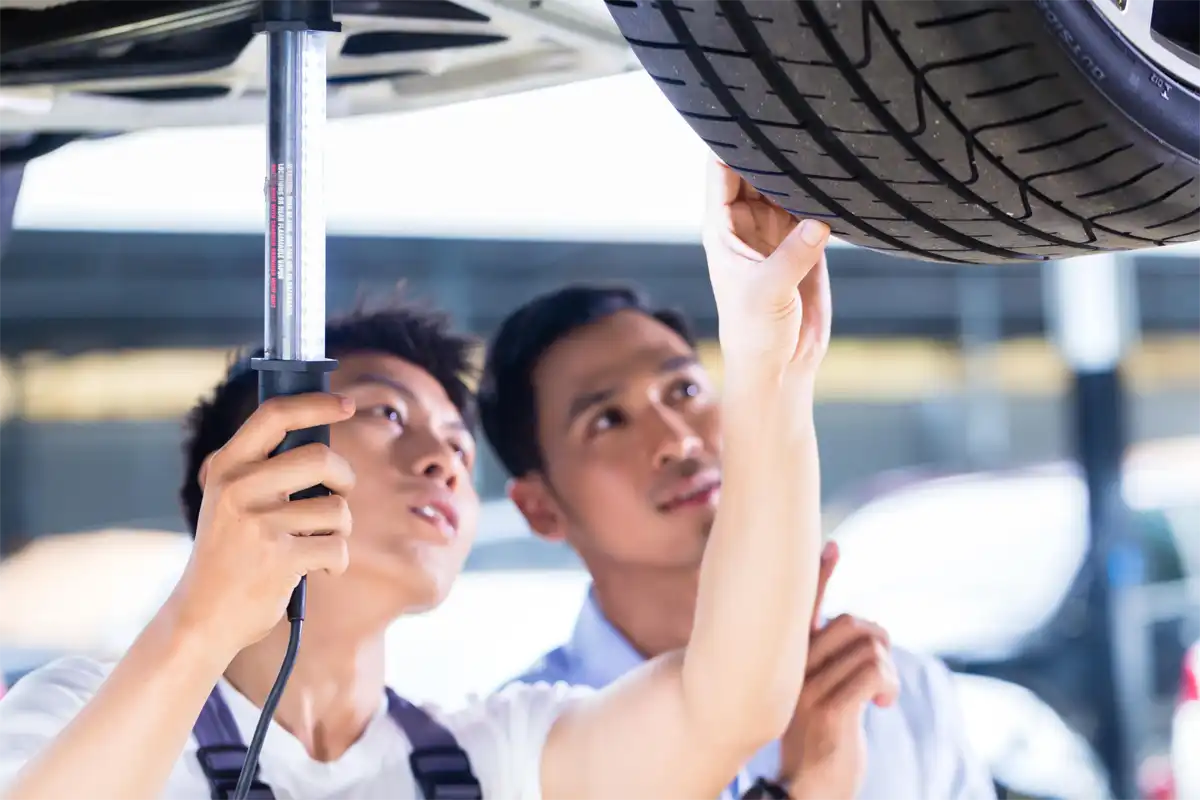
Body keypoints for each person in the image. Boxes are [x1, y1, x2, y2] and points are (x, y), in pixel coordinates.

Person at [0, 160, 837, 800]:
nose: (444, 460)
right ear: (257, 459)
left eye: (459, 445)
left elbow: (725, 707)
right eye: (388, 415)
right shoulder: (78, 715)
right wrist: (199, 622)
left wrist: (774, 373)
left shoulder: (490, 757)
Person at [476, 245, 994, 797]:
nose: (677, 438)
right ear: (540, 508)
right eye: (609, 420)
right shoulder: (523, 754)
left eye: (684, 390)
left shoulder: (891, 691)